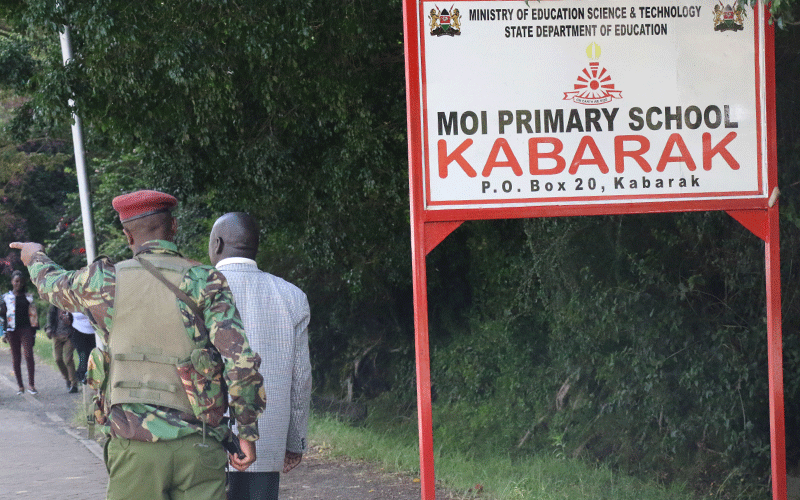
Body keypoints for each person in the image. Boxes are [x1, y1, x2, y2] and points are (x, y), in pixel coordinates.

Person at [10, 190, 266, 500]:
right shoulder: (206, 280)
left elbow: (53, 284)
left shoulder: (104, 281)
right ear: (173, 227)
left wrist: (34, 255)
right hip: (199, 444)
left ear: (127, 235)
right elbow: (240, 362)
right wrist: (247, 433)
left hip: (133, 447)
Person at [209, 212, 312, 500]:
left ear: (217, 244)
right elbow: (301, 377)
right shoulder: (292, 296)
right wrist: (295, 440)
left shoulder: (197, 290)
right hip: (268, 436)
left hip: (206, 437)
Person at [1, 270, 40, 395]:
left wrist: (33, 332)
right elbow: (3, 316)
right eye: (16, 281)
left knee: (29, 356)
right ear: (12, 282)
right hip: (12, 331)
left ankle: (31, 385)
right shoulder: (6, 298)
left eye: (21, 281)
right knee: (16, 357)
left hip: (26, 329)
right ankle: (20, 386)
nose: (19, 284)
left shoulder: (29, 297)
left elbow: (34, 315)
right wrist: (5, 332)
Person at [46, 305, 78, 393]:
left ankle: (74, 384)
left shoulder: (71, 303)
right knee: (58, 359)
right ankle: (68, 378)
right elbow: (50, 316)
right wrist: (49, 328)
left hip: (69, 335)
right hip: (56, 335)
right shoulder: (55, 304)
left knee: (68, 359)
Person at [69, 311, 96, 383]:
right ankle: (82, 377)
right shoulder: (74, 302)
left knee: (93, 356)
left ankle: (91, 379)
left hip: (94, 332)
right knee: (83, 356)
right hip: (78, 331)